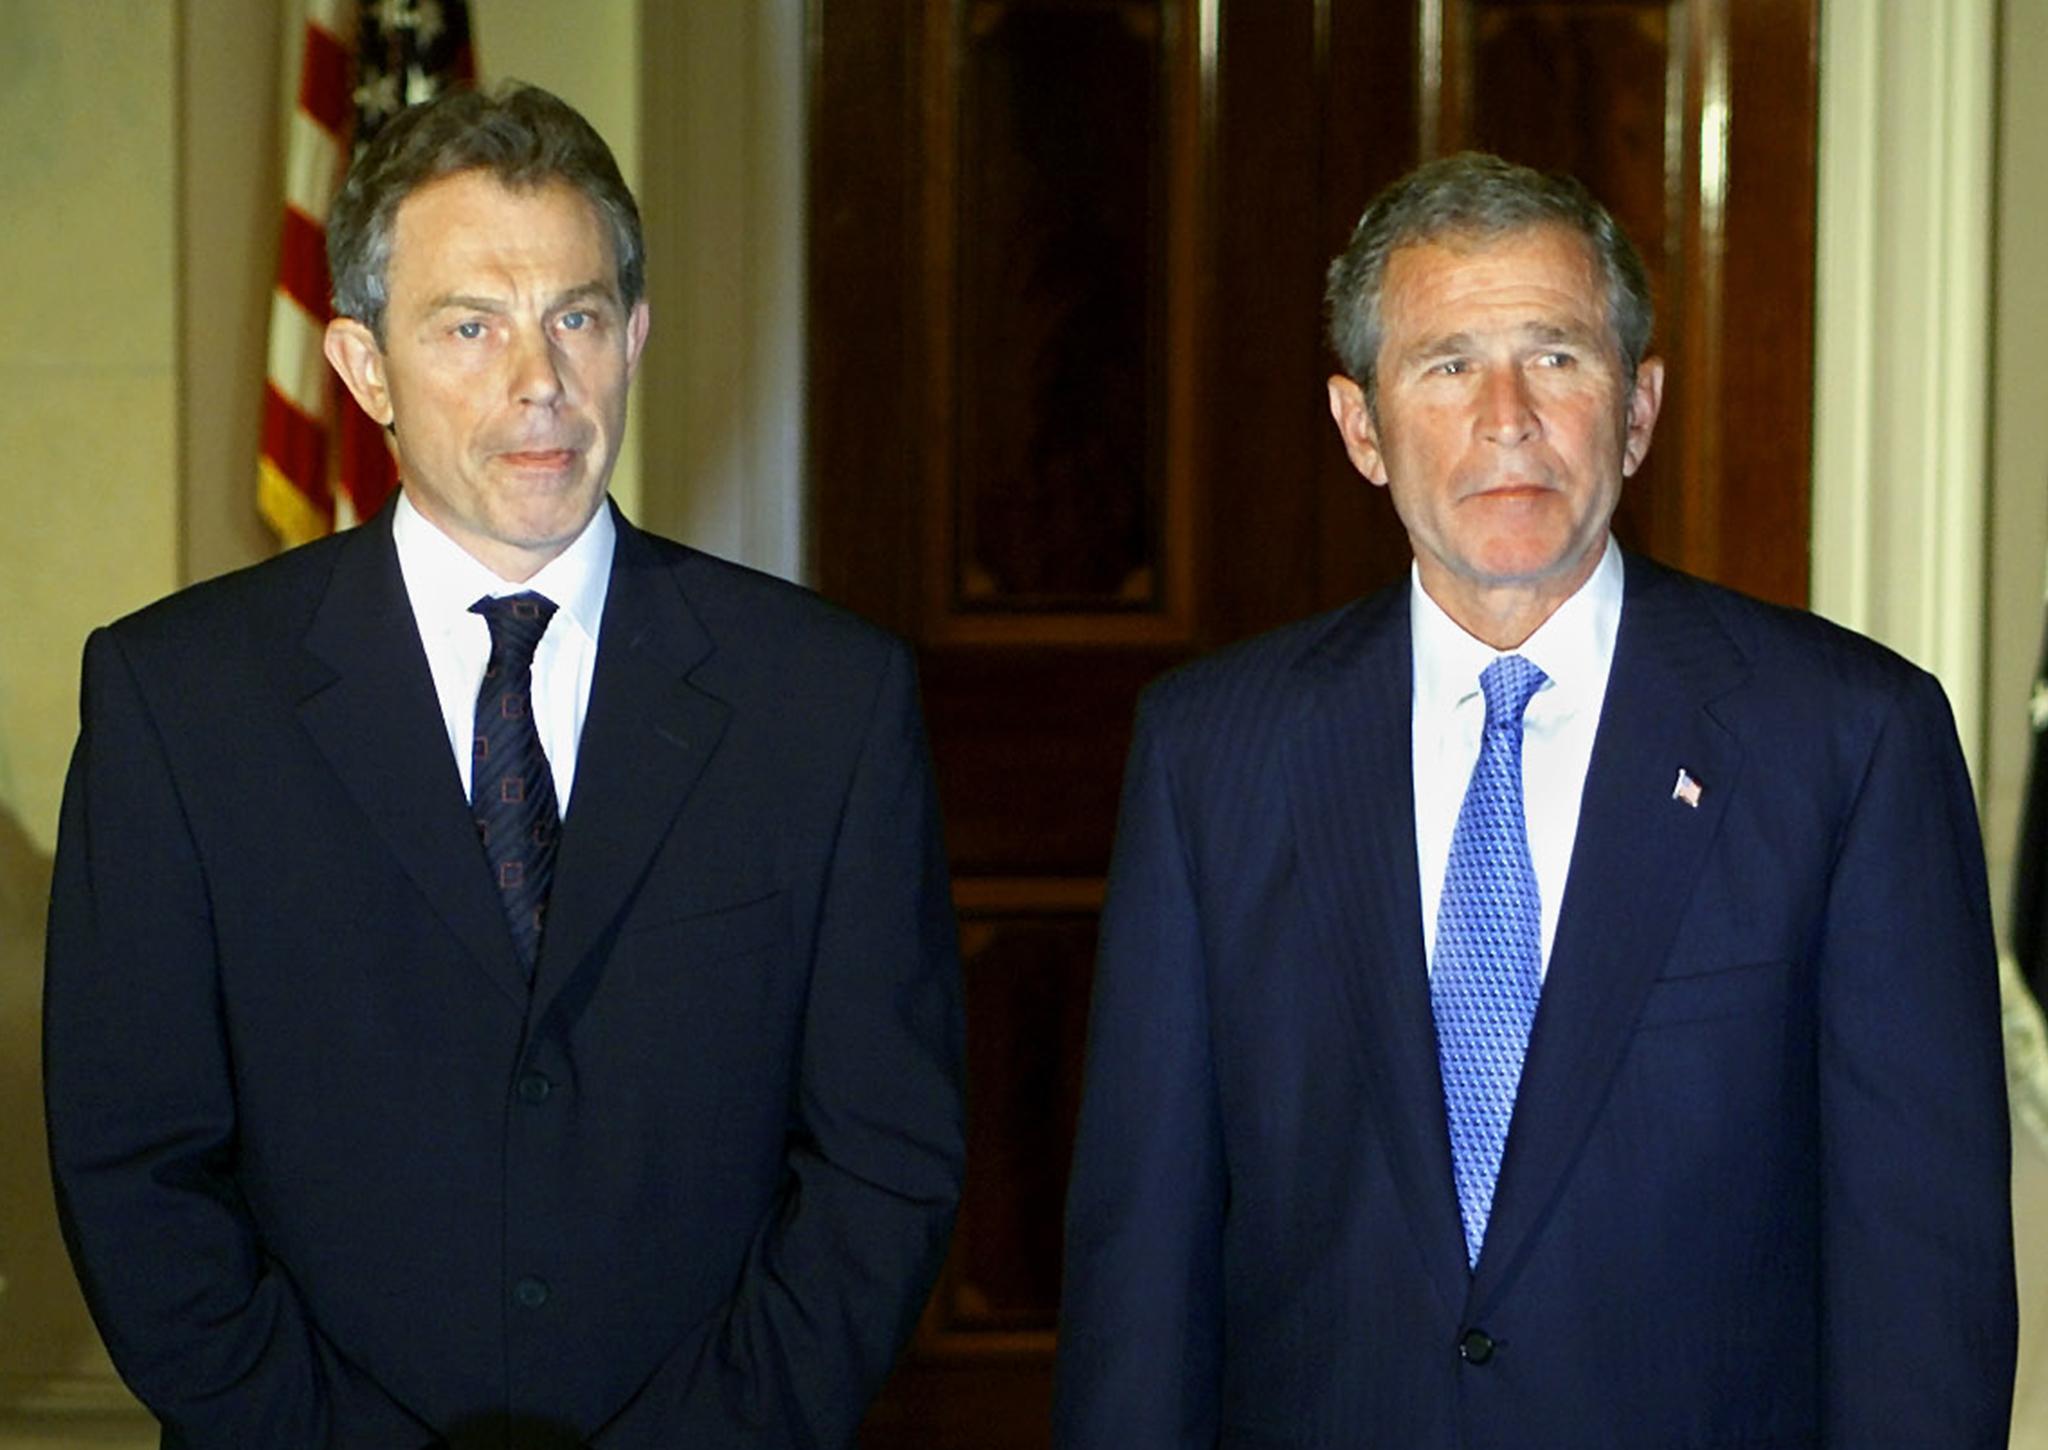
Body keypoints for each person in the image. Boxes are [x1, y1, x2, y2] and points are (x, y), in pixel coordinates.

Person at [44, 83, 963, 1449]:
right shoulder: (178, 703)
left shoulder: (826, 702)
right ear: (362, 369)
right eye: (470, 326)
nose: (539, 381)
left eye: (577, 317)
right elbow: (135, 1168)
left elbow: (884, 1164)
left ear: (636, 339)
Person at [1054, 152, 2016, 1447]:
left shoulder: (1848, 743)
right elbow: (1140, 1277)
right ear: (1359, 427)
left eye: (1557, 356)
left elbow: (1925, 1292)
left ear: (1638, 408)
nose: (1505, 414)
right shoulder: (1214, 755)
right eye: (1446, 363)